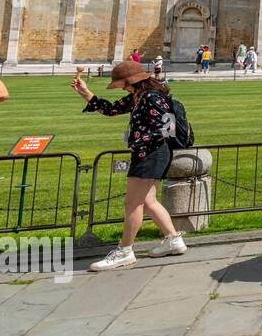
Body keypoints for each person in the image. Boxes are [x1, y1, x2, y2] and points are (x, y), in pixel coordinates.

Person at [71, 60, 188, 270]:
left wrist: (139, 140)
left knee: (132, 204)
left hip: (151, 154)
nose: (122, 88)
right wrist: (86, 93)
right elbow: (111, 109)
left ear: (132, 81)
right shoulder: (139, 96)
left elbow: (168, 128)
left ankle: (125, 251)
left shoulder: (151, 97)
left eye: (123, 84)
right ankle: (173, 239)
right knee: (149, 201)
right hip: (151, 153)